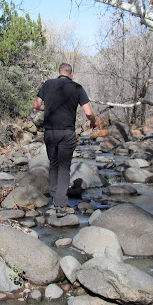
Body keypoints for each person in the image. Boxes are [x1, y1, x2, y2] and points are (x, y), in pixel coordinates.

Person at [33, 63, 96, 209]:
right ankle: (60, 204)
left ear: (58, 73)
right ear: (71, 74)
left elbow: (36, 105)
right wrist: (93, 121)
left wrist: (48, 107)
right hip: (67, 133)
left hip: (50, 132)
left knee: (53, 165)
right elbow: (87, 112)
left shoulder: (48, 84)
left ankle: (55, 197)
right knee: (64, 167)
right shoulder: (77, 87)